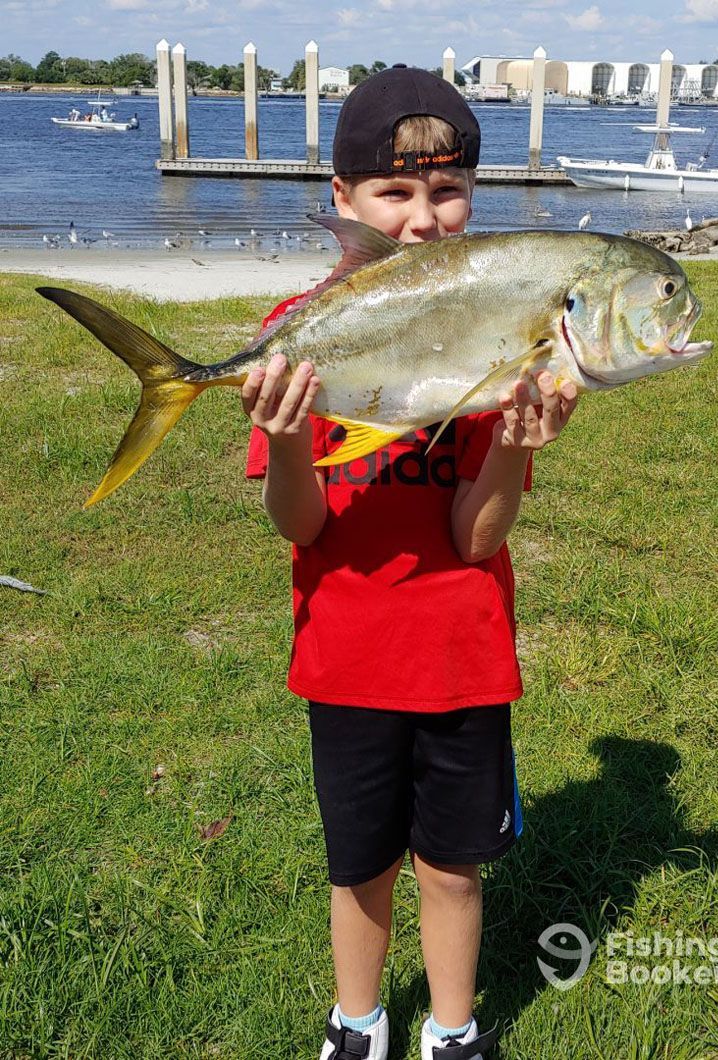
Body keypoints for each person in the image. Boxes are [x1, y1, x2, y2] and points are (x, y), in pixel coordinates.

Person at [241, 66, 578, 1060]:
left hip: (461, 660)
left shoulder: (501, 334)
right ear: (343, 201)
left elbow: (477, 538)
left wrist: (511, 441)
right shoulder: (298, 333)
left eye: (447, 190)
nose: (424, 217)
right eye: (394, 191)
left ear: (472, 195)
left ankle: (452, 1028)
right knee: (360, 868)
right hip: (343, 659)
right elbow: (301, 526)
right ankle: (358, 1023)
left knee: (452, 867)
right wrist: (290, 441)